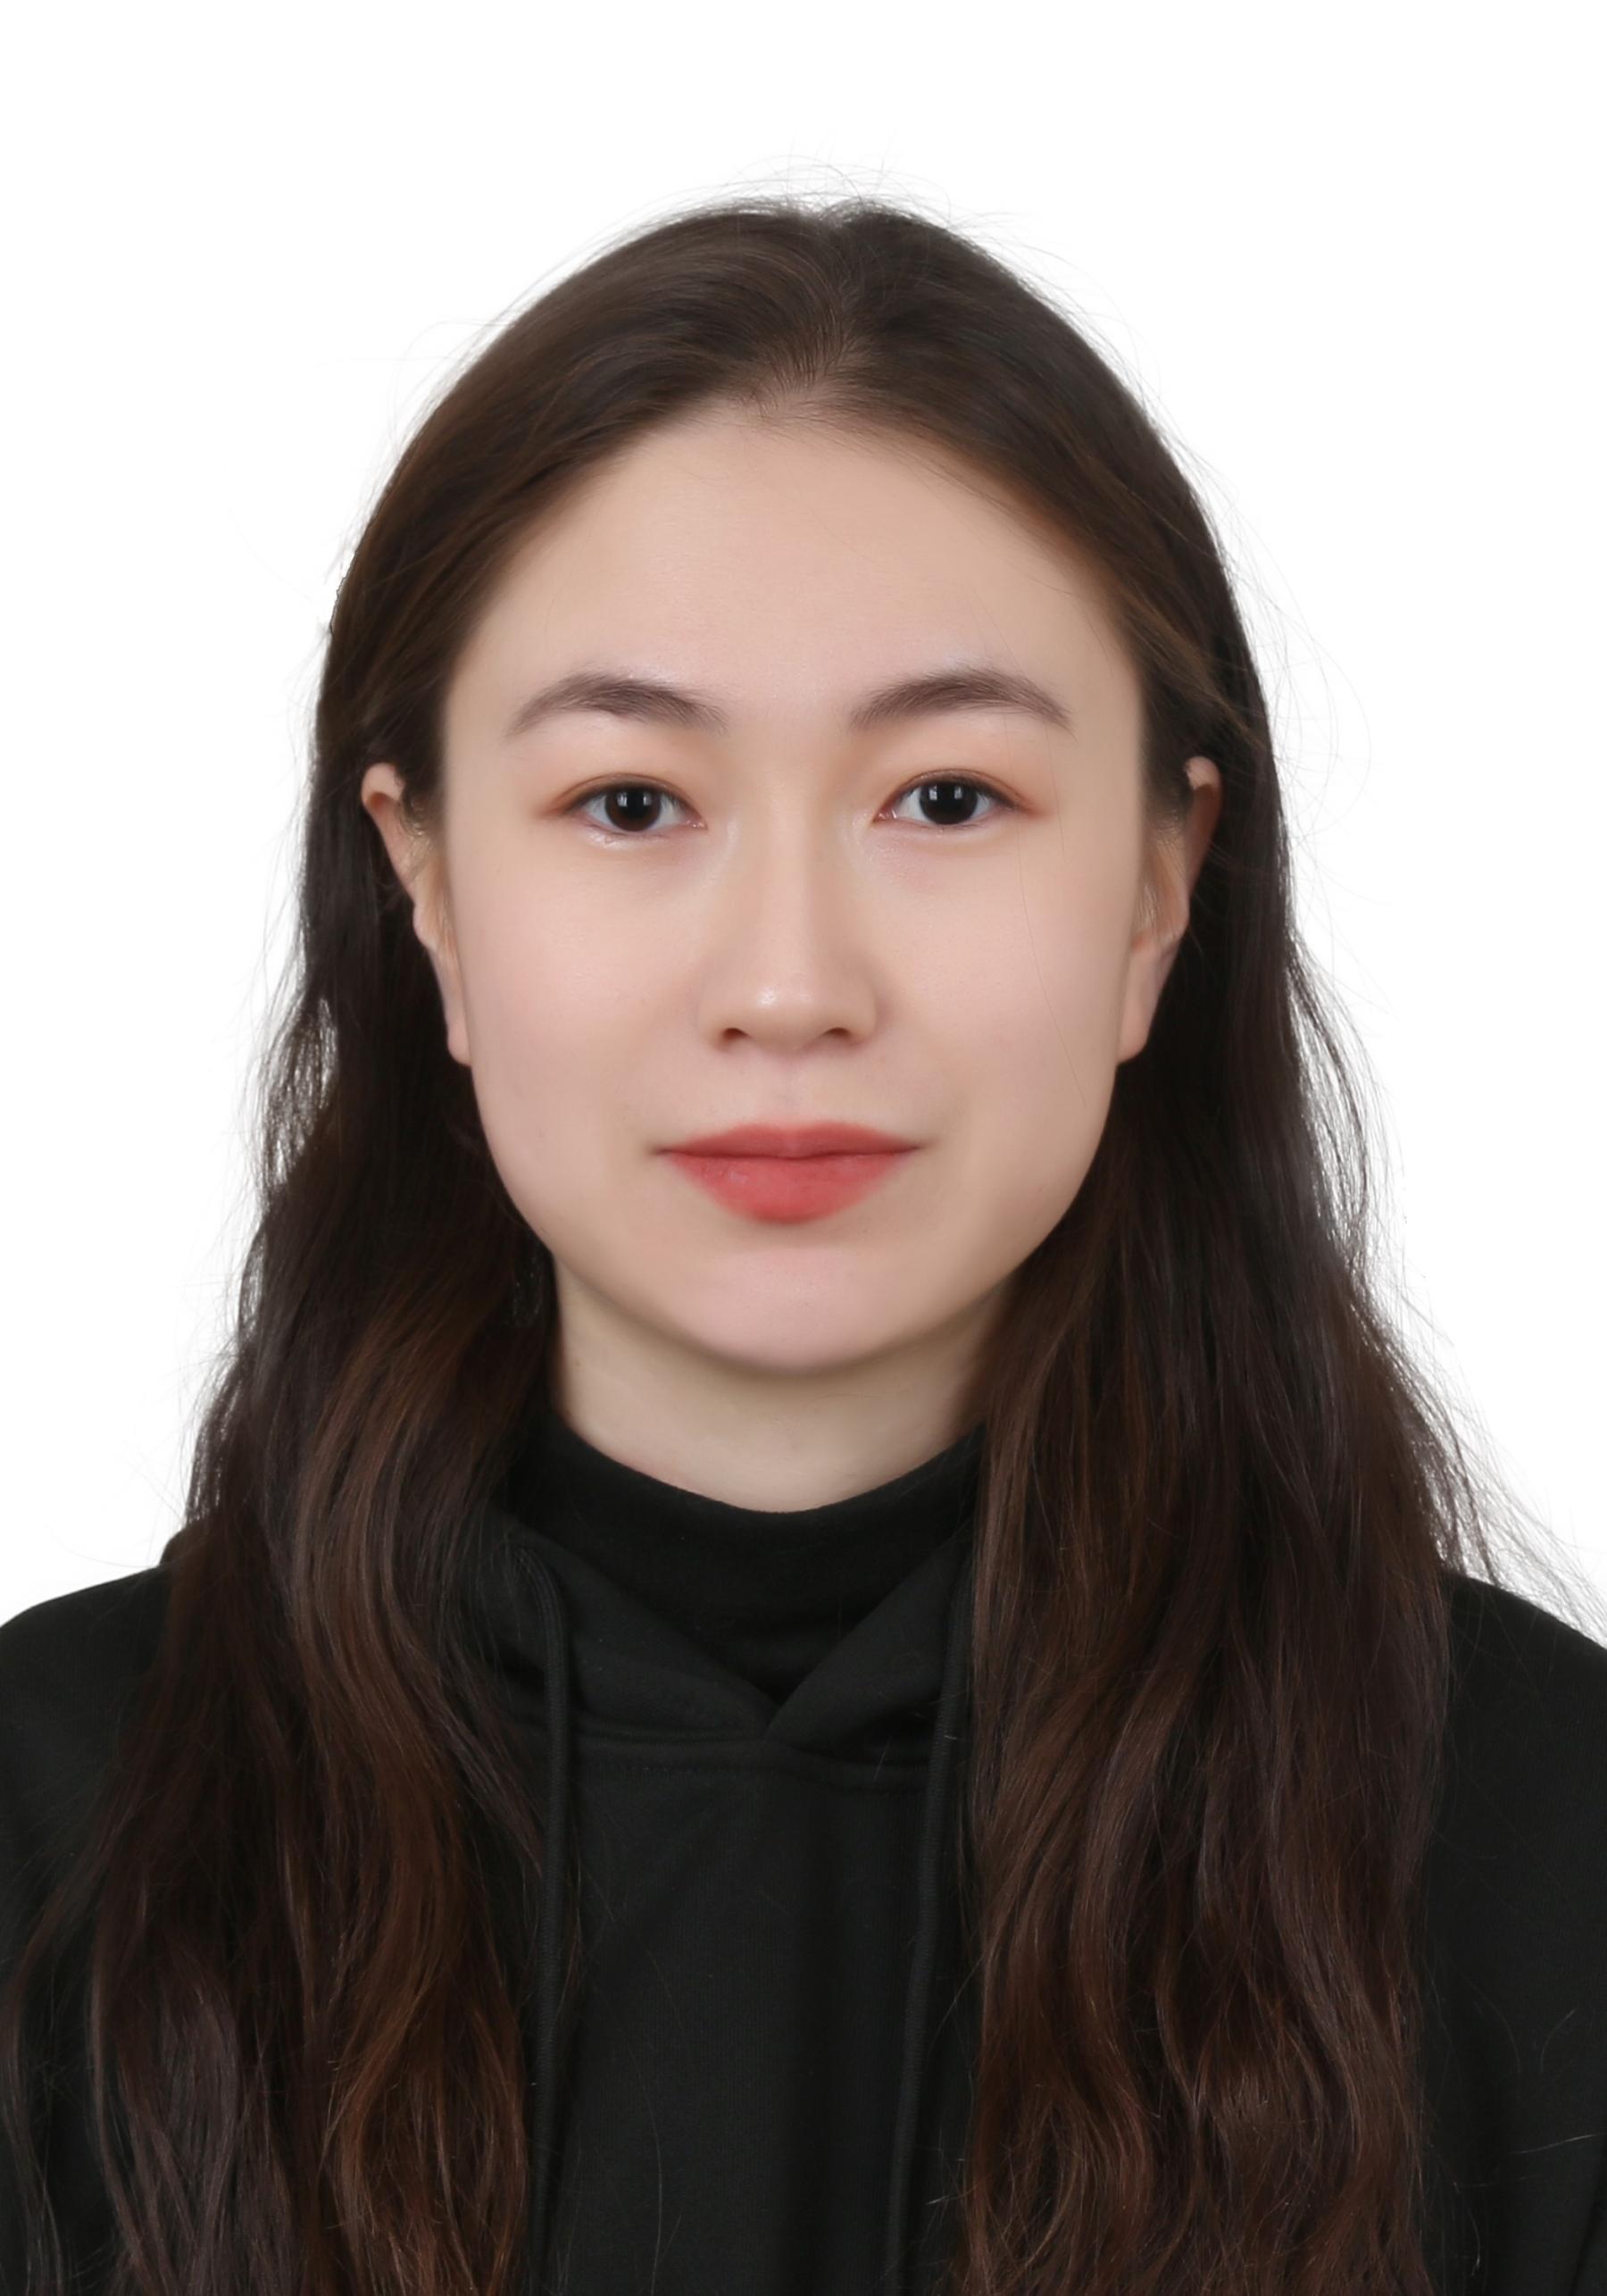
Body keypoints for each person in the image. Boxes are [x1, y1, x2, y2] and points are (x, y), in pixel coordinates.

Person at [3, 191, 1604, 2296]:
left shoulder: (1545, 1847)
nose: (788, 984)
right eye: (632, 802)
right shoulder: (53, 1823)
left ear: (1159, 886)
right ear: (430, 889)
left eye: (945, 799)